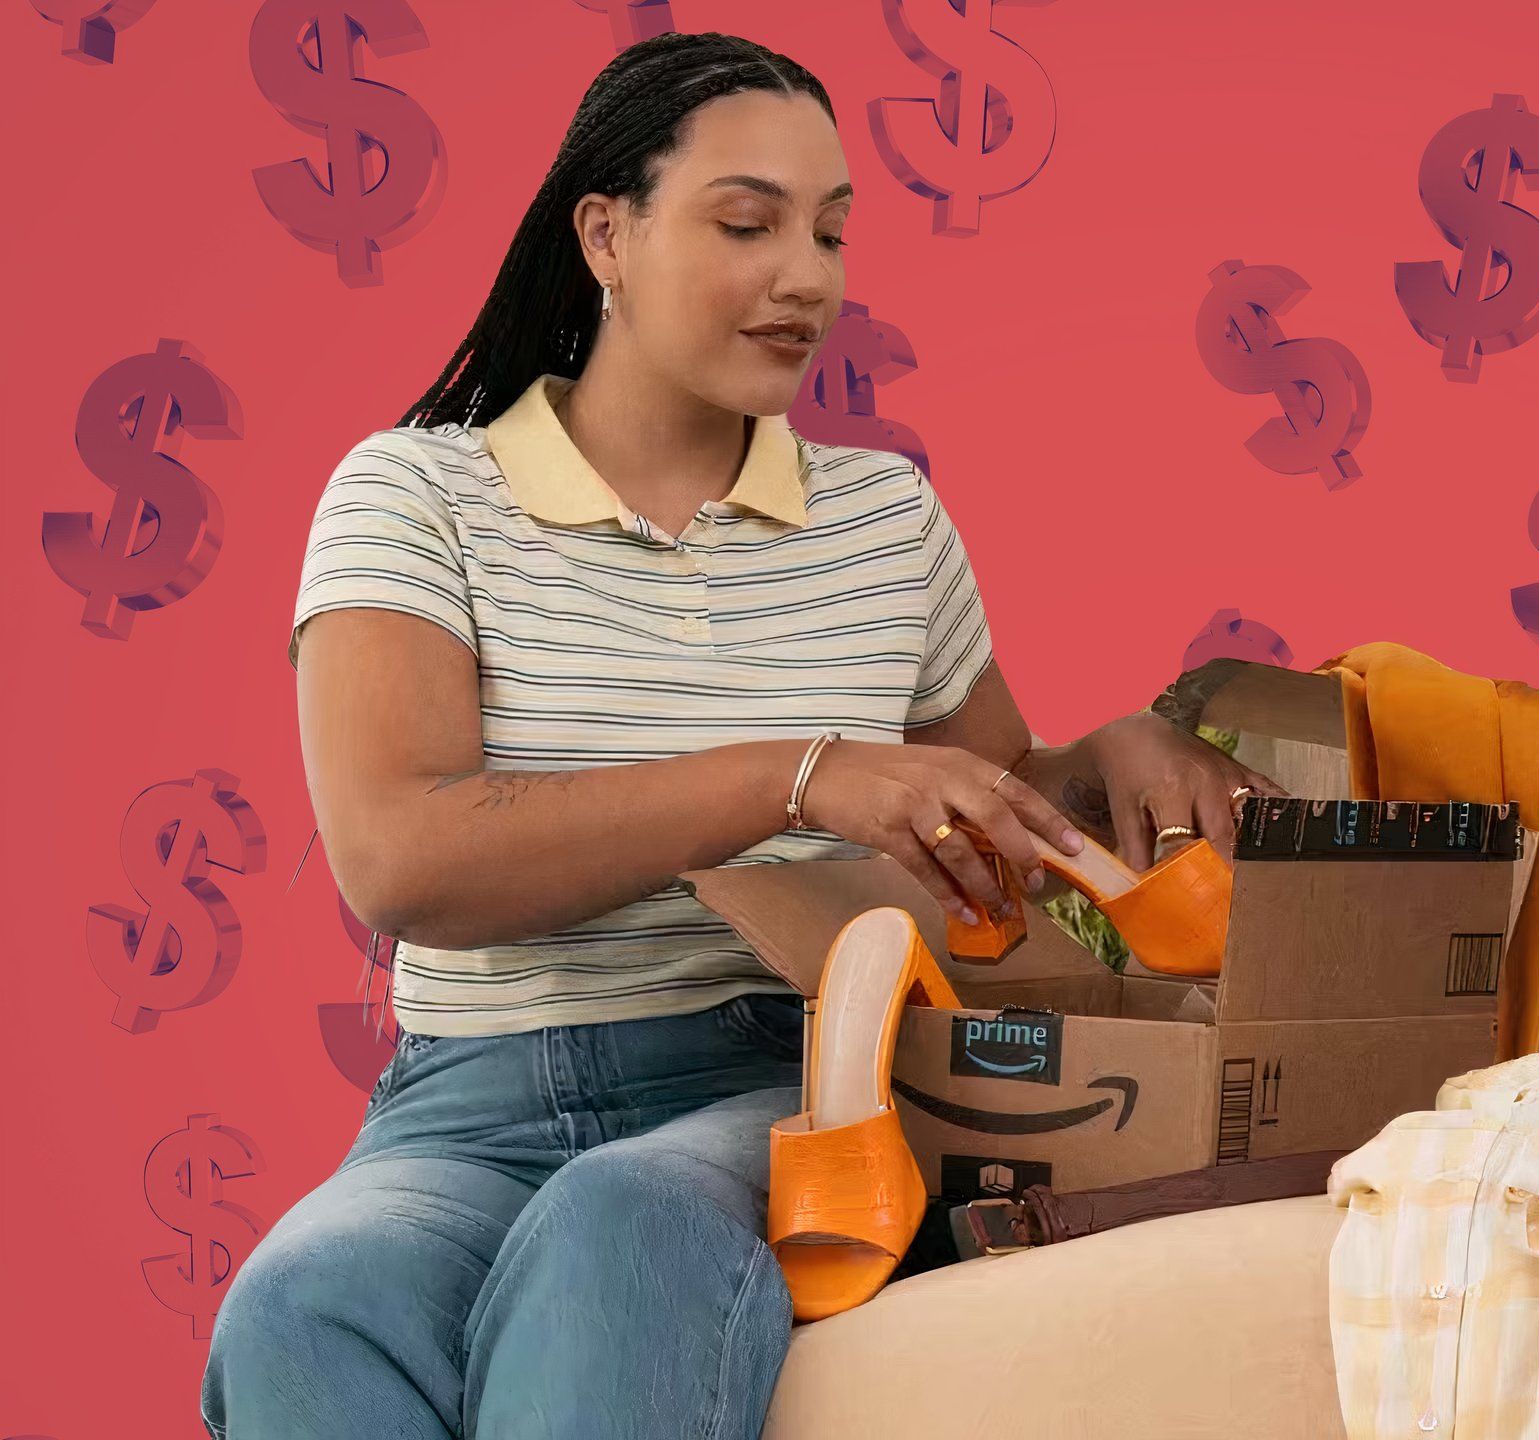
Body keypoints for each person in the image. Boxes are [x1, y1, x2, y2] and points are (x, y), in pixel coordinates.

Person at [201, 31, 1283, 1440]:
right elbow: (406, 858)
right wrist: (796, 777)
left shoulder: (884, 521)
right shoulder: (414, 497)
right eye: (747, 223)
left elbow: (984, 796)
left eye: (831, 232)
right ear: (606, 232)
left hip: (786, 1073)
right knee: (303, 1304)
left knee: (621, 1225)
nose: (809, 277)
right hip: (464, 1109)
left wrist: (1113, 755)